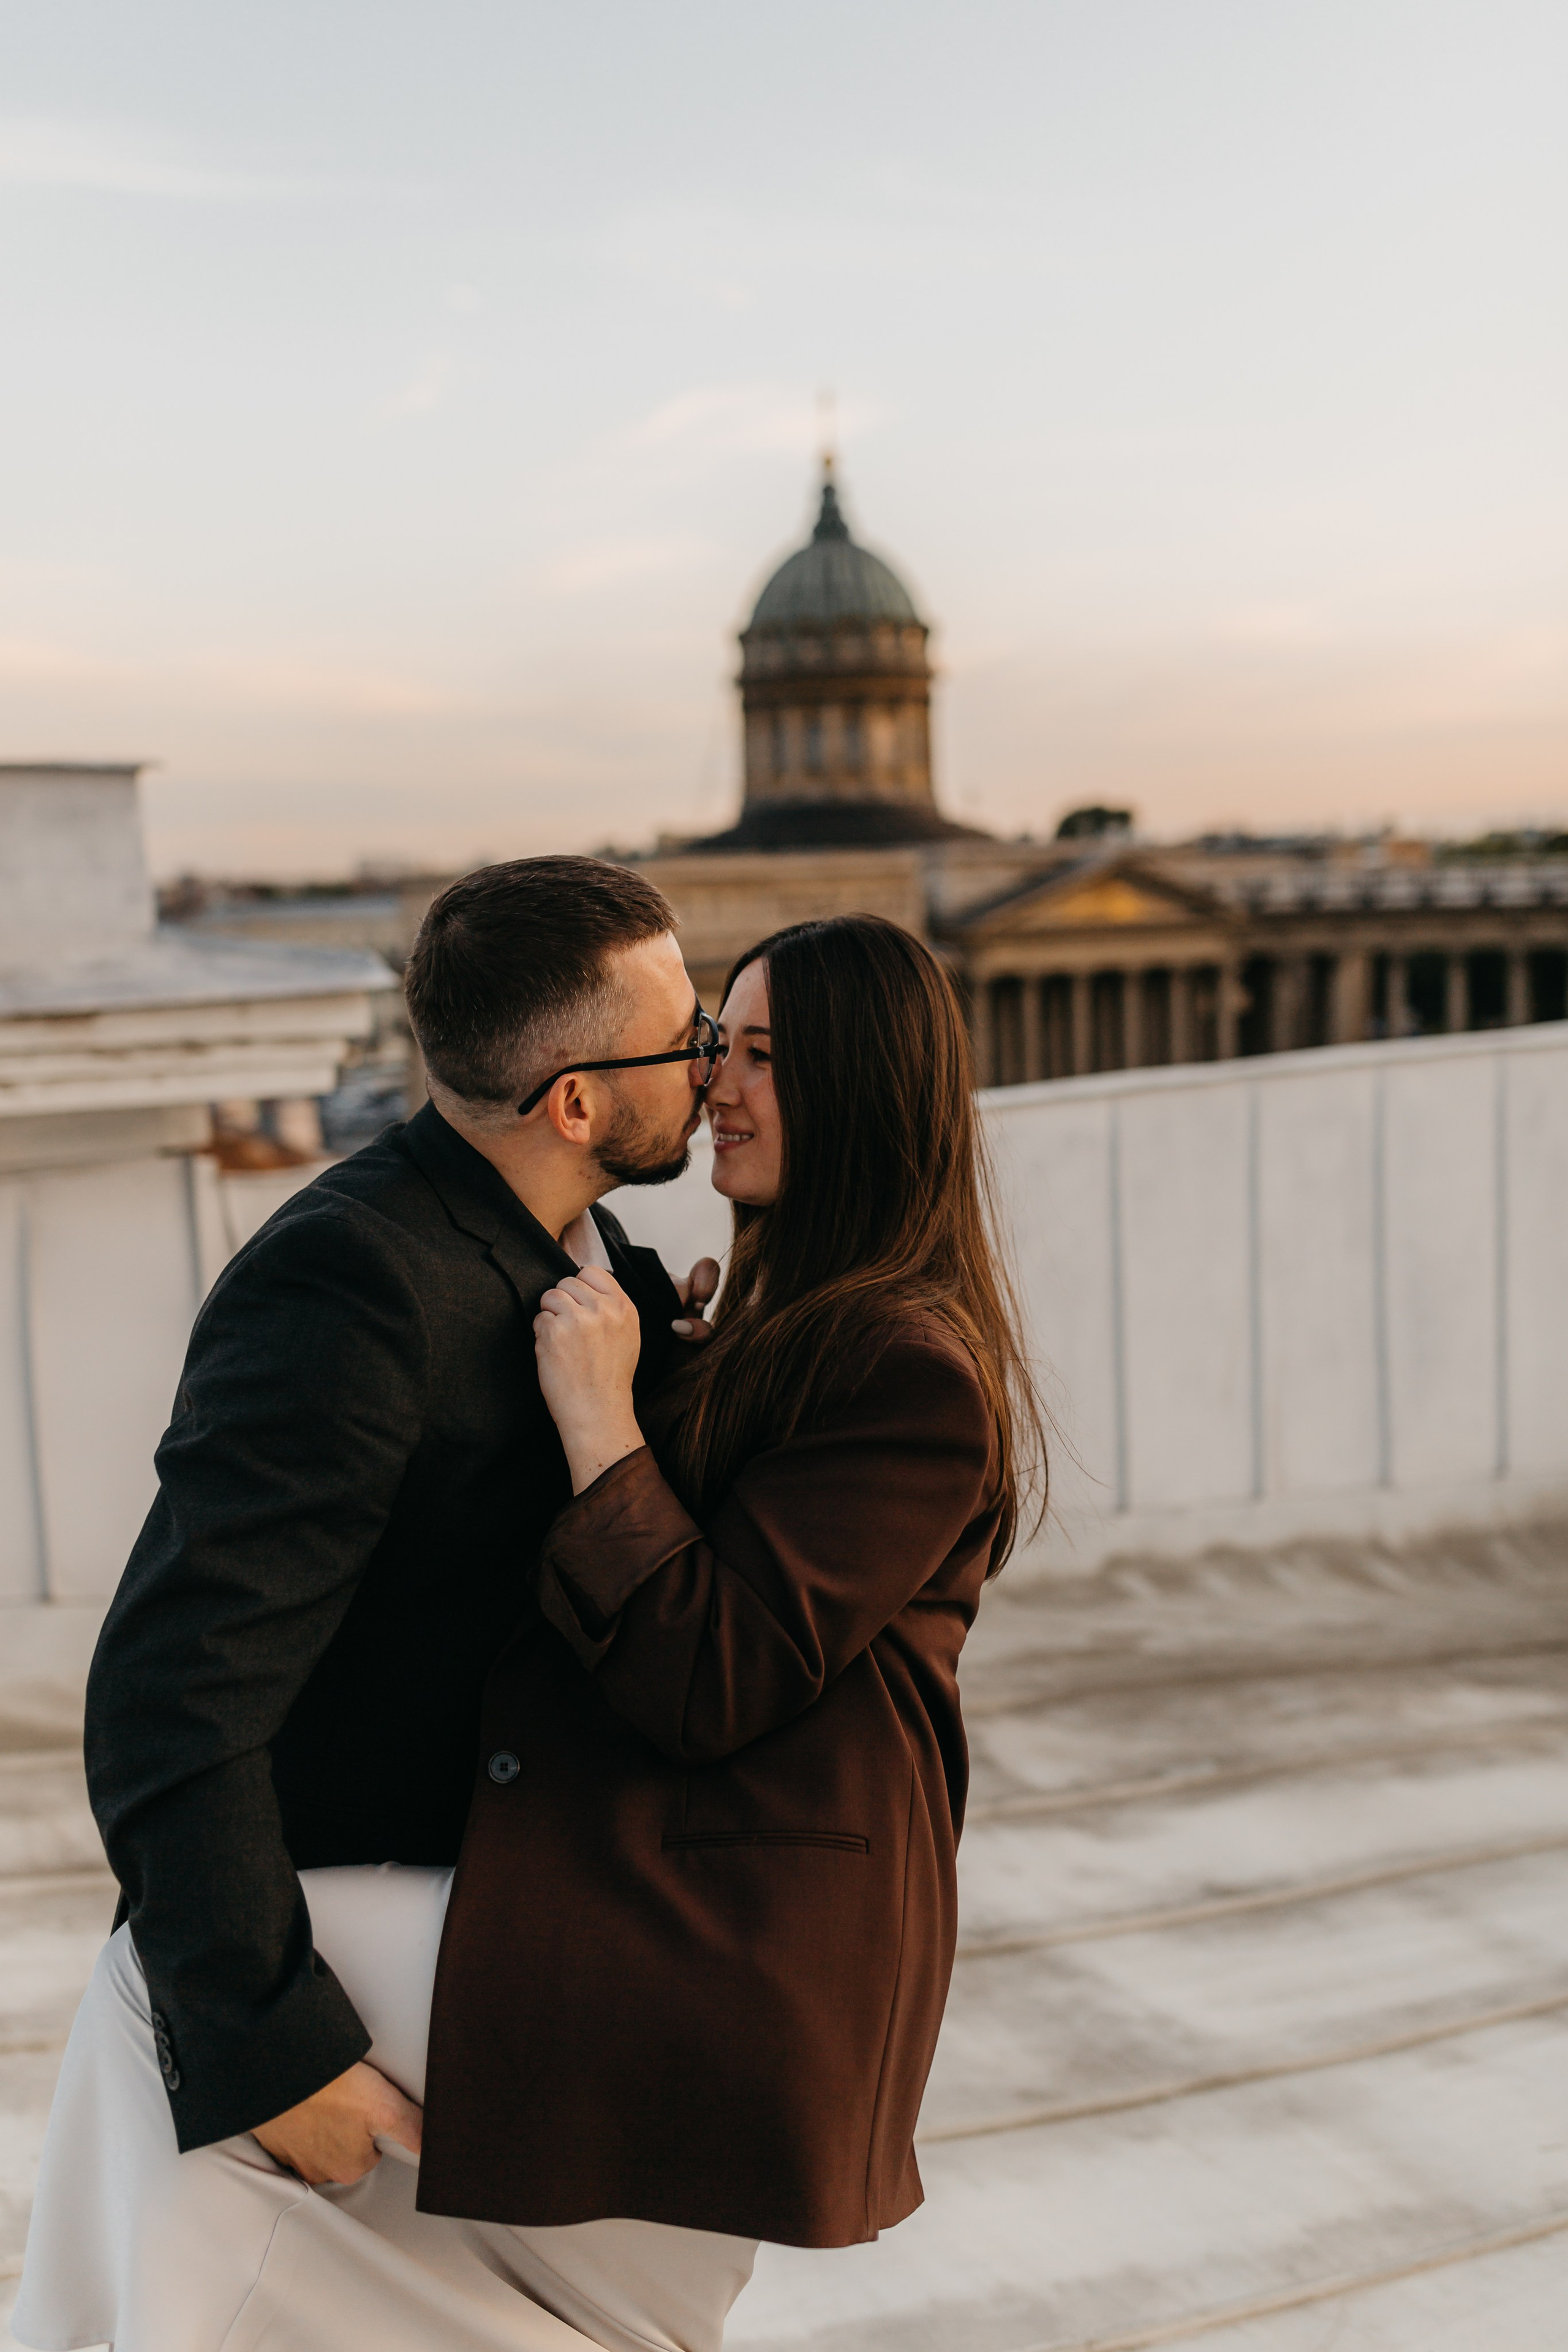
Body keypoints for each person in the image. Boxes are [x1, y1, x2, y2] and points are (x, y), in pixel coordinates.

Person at [13, 857, 751, 2352]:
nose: (712, 1061)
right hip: (332, 2008)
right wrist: (276, 2053)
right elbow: (171, 1697)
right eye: (686, 1038)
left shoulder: (582, 1246)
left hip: (479, 1970)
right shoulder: (350, 1283)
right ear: (575, 1103)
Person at [415, 913, 1047, 2253]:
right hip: (692, 1906)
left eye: (762, 1057)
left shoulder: (907, 1370)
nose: (715, 1084)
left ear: (860, 1094)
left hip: (750, 1953)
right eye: (718, 1045)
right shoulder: (786, 1327)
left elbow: (711, 1675)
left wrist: (604, 1421)